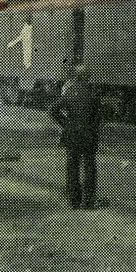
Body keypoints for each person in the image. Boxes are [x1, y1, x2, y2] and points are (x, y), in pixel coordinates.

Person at [50, 62, 102, 210]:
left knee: (72, 166)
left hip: (72, 135)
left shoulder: (69, 93)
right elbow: (98, 118)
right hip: (88, 135)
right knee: (89, 166)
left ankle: (74, 200)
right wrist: (92, 128)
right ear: (87, 77)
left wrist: (65, 124)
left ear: (76, 77)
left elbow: (52, 110)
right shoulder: (93, 95)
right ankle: (88, 201)